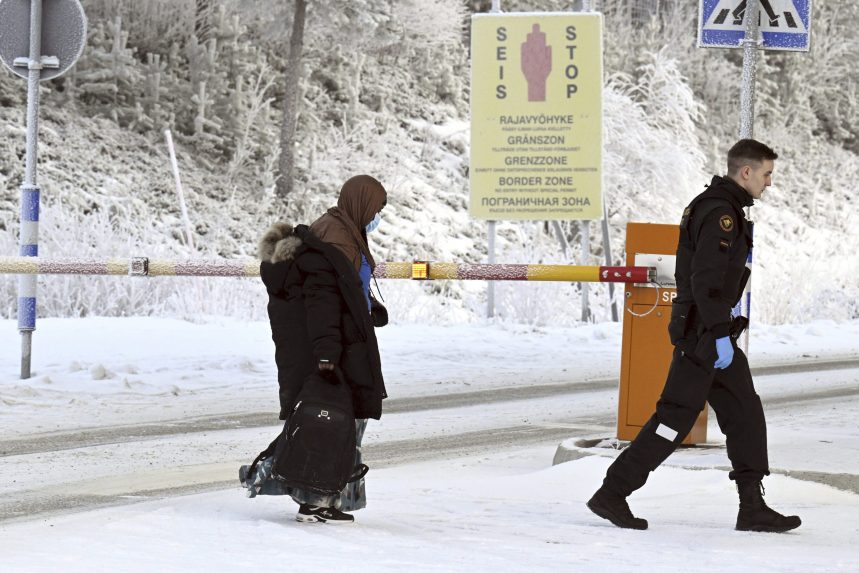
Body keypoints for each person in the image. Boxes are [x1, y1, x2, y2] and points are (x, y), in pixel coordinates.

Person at [587, 139, 801, 533]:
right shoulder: (720, 212)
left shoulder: (720, 205)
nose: (769, 183)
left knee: (744, 413)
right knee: (673, 420)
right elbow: (706, 281)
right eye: (767, 174)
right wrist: (719, 334)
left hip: (711, 333)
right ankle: (612, 493)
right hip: (703, 335)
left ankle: (752, 506)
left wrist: (722, 335)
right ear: (746, 172)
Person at [257, 174, 388, 524]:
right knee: (333, 423)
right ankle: (312, 497)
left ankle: (327, 498)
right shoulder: (338, 238)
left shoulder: (343, 231)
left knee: (343, 421)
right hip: (335, 345)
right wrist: (327, 353)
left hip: (344, 340)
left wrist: (368, 305)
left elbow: (343, 288)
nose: (378, 216)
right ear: (362, 202)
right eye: (377, 208)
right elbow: (323, 300)